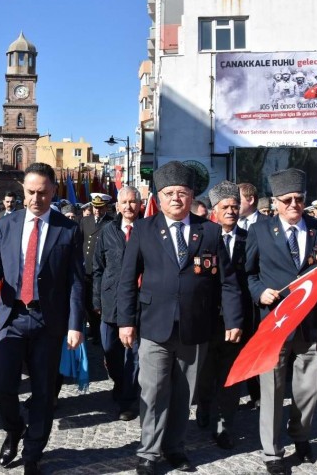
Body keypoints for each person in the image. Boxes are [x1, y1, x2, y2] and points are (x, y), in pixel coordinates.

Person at [118, 162, 242, 475]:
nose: (176, 199)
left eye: (182, 193)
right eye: (169, 193)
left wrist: (233, 320)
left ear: (191, 196)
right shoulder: (144, 230)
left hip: (194, 326)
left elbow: (226, 281)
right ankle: (148, 452)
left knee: (183, 393)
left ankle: (175, 448)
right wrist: (126, 321)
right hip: (154, 325)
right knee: (153, 390)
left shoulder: (210, 231)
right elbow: (127, 277)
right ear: (158, 198)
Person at [0, 162, 84, 475]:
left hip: (48, 322)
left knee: (43, 392)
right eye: (31, 192)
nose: (36, 198)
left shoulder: (68, 229)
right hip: (12, 317)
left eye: (43, 193)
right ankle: (13, 428)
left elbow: (76, 281)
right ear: (23, 190)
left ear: (53, 191)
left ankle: (33, 452)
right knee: (1, 385)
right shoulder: (7, 224)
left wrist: (75, 324)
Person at [245, 169, 317, 475]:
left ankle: (300, 434)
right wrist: (260, 292)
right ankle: (272, 451)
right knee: (271, 389)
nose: (294, 205)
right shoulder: (260, 230)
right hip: (276, 323)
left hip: (313, 324)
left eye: (299, 199)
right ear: (276, 202)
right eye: (288, 200)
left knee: (311, 387)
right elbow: (248, 274)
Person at [196, 181, 256, 451]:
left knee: (231, 375)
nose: (231, 211)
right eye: (225, 207)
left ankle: (225, 426)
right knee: (206, 372)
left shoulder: (250, 239)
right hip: (206, 319)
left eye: (235, 206)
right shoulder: (201, 236)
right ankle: (205, 407)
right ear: (213, 210)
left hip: (238, 321)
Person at [92, 186, 141, 421]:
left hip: (139, 303)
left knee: (134, 356)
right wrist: (97, 299)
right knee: (111, 351)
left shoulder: (147, 230)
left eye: (133, 202)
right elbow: (98, 268)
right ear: (118, 206)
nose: (129, 206)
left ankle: (128, 400)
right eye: (125, 202)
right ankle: (120, 385)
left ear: (139, 205)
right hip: (111, 302)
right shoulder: (107, 231)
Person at [80, 194, 113, 343]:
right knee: (87, 303)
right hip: (86, 269)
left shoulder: (110, 223)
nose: (97, 211)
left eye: (100, 208)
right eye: (95, 207)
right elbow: (80, 242)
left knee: (98, 303)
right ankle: (93, 331)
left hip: (101, 270)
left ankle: (99, 333)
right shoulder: (85, 221)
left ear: (106, 207)